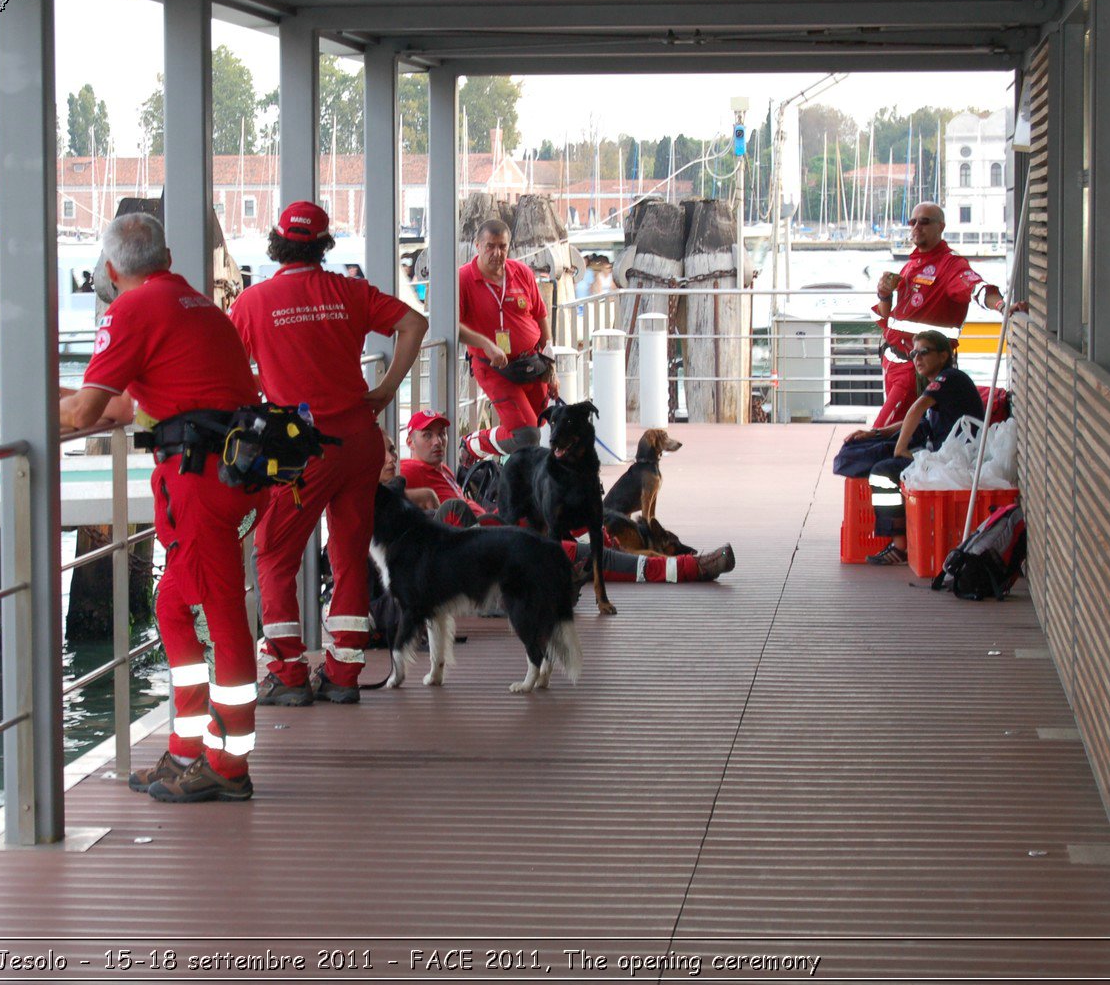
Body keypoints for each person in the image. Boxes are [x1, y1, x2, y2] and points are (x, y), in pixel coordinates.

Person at [59, 213, 265, 803]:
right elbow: (131, 407)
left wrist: (24, 411)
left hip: (201, 483)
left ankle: (228, 767)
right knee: (172, 607)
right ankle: (186, 748)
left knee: (223, 621)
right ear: (167, 255)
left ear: (109, 268)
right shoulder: (193, 303)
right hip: (227, 472)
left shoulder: (131, 309)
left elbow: (87, 413)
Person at [231, 201, 429, 706]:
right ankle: (343, 673)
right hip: (358, 443)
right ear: (324, 246)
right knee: (347, 554)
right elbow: (415, 324)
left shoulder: (253, 303)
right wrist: (385, 388)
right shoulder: (350, 291)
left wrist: (264, 384)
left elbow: (230, 374)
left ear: (277, 243)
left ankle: (289, 673)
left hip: (300, 452)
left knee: (274, 555)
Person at [397, 410, 734, 583]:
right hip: (489, 542)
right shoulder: (409, 469)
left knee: (580, 520)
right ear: (410, 441)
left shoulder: (439, 469)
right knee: (584, 553)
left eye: (441, 434)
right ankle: (689, 569)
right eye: (427, 435)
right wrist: (420, 495)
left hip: (500, 523)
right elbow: (383, 496)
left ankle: (657, 553)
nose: (438, 441)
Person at [872, 202, 1025, 428]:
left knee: (880, 432)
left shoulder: (950, 265)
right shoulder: (913, 264)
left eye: (924, 221)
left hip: (914, 372)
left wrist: (1002, 306)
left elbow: (977, 289)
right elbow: (888, 319)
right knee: (907, 432)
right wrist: (884, 294)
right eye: (912, 222)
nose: (916, 226)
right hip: (892, 366)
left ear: (940, 227)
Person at [846, 328, 987, 566]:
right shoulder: (941, 383)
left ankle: (900, 546)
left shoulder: (949, 378)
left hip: (955, 461)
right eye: (913, 354)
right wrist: (876, 433)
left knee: (883, 472)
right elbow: (918, 419)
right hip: (944, 455)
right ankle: (902, 538)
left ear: (943, 356)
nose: (917, 359)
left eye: (924, 352)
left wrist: (900, 449)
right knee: (869, 454)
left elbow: (916, 409)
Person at [457, 218, 554, 464]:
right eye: (490, 246)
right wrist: (486, 344)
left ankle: (508, 473)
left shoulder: (521, 272)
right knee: (527, 434)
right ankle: (475, 443)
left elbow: (541, 316)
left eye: (502, 246)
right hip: (493, 367)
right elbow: (451, 325)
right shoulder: (463, 279)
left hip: (532, 362)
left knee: (540, 421)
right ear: (477, 245)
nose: (496, 253)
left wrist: (551, 365)